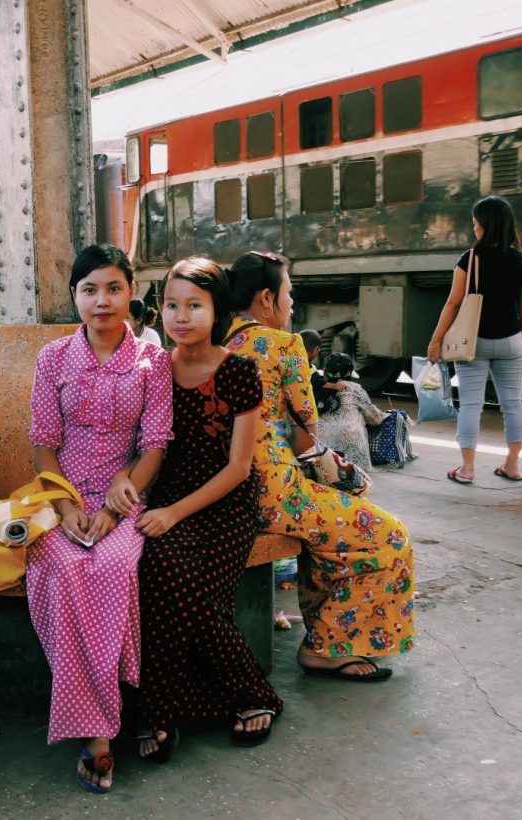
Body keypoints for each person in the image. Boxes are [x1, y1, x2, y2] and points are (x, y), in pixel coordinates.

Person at [225, 251, 415, 681]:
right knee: (389, 536)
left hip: (232, 493)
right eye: (289, 295)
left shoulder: (221, 346)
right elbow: (307, 429)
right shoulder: (283, 345)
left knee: (332, 522)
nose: (292, 305)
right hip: (276, 495)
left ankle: (328, 632)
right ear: (267, 298)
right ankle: (327, 647)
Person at [27, 243, 172, 794]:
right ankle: (100, 733)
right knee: (61, 569)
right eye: (90, 290)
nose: (102, 301)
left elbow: (155, 445)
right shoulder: (53, 359)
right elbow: (44, 445)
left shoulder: (152, 362)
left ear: (131, 292)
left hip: (124, 496)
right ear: (75, 297)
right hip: (61, 496)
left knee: (111, 570)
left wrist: (119, 502)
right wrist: (64, 509)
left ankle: (95, 729)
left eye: (113, 288)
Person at [135, 257, 282, 763]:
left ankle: (160, 710)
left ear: (216, 309)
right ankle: (243, 693)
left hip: (224, 504)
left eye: (194, 305)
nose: (180, 316)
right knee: (159, 567)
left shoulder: (240, 371)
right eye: (171, 305)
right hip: (166, 497)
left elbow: (239, 467)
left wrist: (175, 513)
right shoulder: (153, 368)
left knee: (184, 586)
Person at [428, 196, 522, 484]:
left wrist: (436, 341)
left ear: (484, 225)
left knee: (471, 405)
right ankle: (512, 466)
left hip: (472, 343)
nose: (474, 228)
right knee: (513, 404)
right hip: (511, 342)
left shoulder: (470, 259)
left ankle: (467, 469)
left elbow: (453, 303)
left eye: (476, 223)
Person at [310, 352, 385, 473]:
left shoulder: (314, 388)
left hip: (322, 459)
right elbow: (376, 419)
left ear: (324, 372)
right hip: (357, 464)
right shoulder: (355, 388)